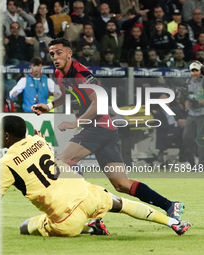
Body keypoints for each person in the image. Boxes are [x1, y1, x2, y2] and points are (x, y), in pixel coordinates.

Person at [31, 37, 185, 220]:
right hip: (105, 130)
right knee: (121, 184)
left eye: (59, 52)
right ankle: (170, 205)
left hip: (98, 127)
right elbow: (66, 94)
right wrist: (48, 106)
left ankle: (79, 212)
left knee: (64, 161)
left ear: (69, 53)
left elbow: (99, 102)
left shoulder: (81, 73)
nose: (55, 57)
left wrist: (76, 123)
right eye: (52, 54)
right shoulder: (58, 73)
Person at [0, 115, 191, 237]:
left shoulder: (6, 163)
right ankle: (172, 222)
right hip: (86, 195)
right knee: (120, 203)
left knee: (25, 227)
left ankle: (90, 228)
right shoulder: (39, 141)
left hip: (66, 219)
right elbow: (42, 146)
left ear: (7, 136)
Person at [183, 60, 204, 166]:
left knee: (201, 140)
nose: (195, 73)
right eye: (192, 71)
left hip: (202, 114)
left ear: (201, 70)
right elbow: (185, 100)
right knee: (186, 137)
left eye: (197, 70)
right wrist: (184, 100)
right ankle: (192, 163)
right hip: (191, 114)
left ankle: (202, 164)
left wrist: (197, 102)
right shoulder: (187, 82)